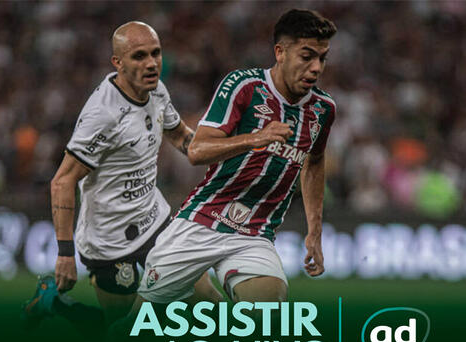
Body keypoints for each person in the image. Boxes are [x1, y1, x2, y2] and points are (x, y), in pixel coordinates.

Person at [126, 8, 337, 313]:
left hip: (255, 233)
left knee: (268, 315)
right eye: (307, 56)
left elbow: (315, 162)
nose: (316, 68)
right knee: (137, 327)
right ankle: (201, 292)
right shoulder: (245, 86)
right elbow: (197, 151)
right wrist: (255, 138)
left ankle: (208, 299)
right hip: (201, 222)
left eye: (322, 57)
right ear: (280, 52)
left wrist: (314, 231)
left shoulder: (323, 109)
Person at [22, 21, 222, 336]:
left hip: (155, 219)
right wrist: (64, 254)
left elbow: (182, 136)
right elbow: (62, 181)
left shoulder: (155, 89)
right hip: (109, 240)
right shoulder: (103, 115)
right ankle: (55, 303)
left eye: (155, 53)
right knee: (127, 330)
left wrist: (229, 156)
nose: (151, 63)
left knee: (209, 301)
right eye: (139, 56)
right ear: (118, 63)